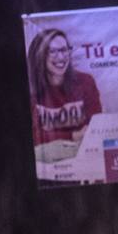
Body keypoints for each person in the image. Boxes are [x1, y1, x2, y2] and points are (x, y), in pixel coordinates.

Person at [27, 27, 103, 164]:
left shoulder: (85, 82)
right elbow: (33, 137)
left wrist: (53, 136)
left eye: (63, 50)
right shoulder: (31, 89)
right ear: (39, 55)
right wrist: (72, 135)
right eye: (52, 52)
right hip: (45, 160)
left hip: (82, 155)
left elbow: (96, 127)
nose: (61, 57)